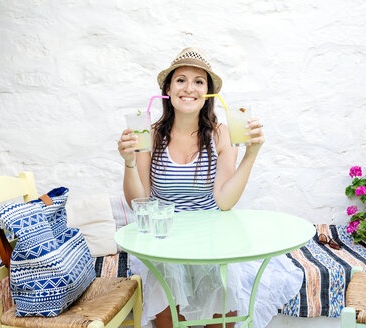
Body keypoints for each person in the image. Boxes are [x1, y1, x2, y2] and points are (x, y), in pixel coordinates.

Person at [117, 47, 303, 328]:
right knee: (170, 317)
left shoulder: (221, 134)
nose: (189, 87)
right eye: (180, 80)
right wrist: (129, 163)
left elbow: (224, 202)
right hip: (165, 242)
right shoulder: (151, 134)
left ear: (208, 93)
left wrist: (251, 153)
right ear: (167, 89)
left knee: (221, 319)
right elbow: (138, 201)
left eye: (198, 81)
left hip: (211, 241)